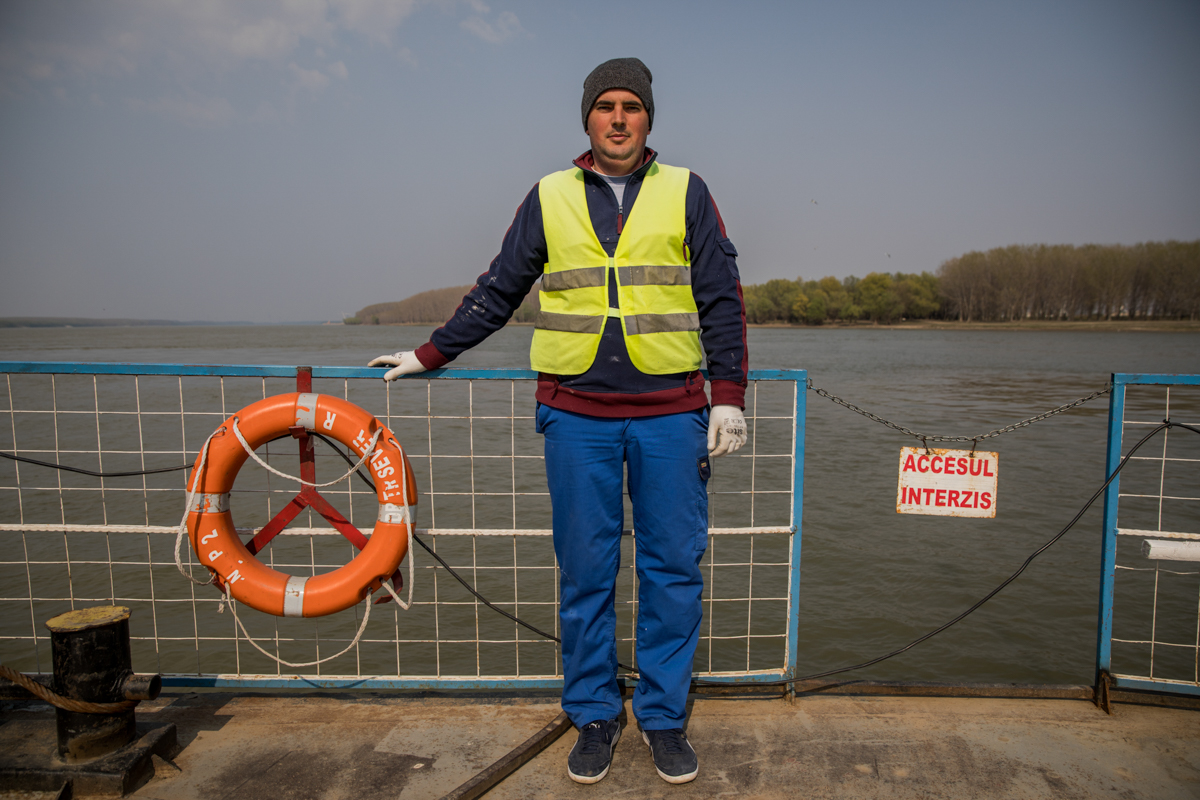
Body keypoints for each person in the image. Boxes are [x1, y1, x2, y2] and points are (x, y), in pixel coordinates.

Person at [369, 57, 748, 786]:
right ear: (587, 118)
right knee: (585, 574)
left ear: (648, 118)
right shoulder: (548, 195)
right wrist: (429, 353)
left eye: (631, 106)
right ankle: (595, 714)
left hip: (672, 414)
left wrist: (727, 395)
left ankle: (663, 718)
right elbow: (498, 289)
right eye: (605, 105)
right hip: (576, 416)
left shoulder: (687, 191)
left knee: (673, 571)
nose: (618, 118)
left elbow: (721, 297)